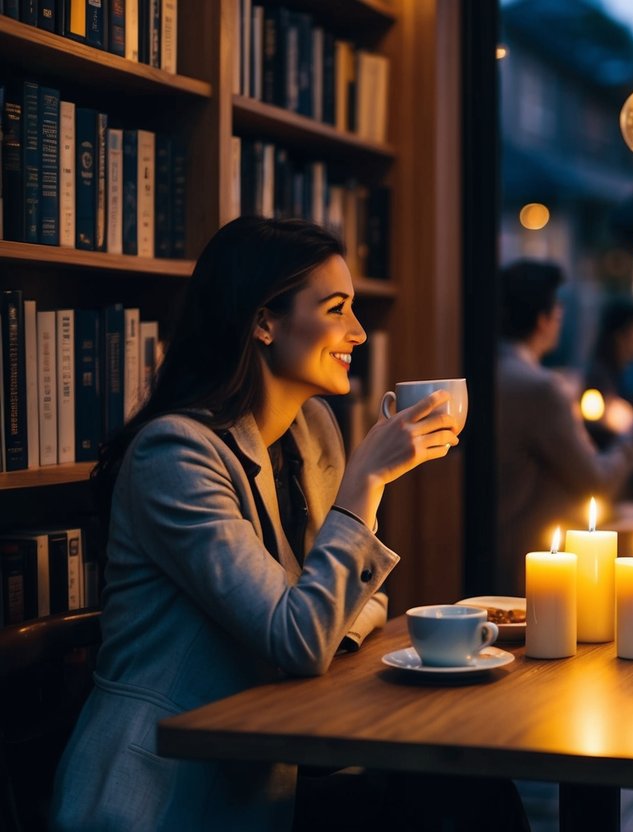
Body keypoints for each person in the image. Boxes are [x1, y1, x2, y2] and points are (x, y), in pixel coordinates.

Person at [48, 217, 479, 830]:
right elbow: (300, 637)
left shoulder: (311, 430)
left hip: (260, 771)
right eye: (336, 309)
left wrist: (337, 619)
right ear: (263, 321)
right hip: (163, 788)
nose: (357, 332)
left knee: (462, 795)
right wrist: (366, 483)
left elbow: (338, 609)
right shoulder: (173, 455)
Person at [496, 261, 633, 594]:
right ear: (543, 319)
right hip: (529, 560)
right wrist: (632, 438)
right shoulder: (541, 389)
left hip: (481, 549)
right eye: (559, 312)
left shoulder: (487, 372)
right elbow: (597, 481)